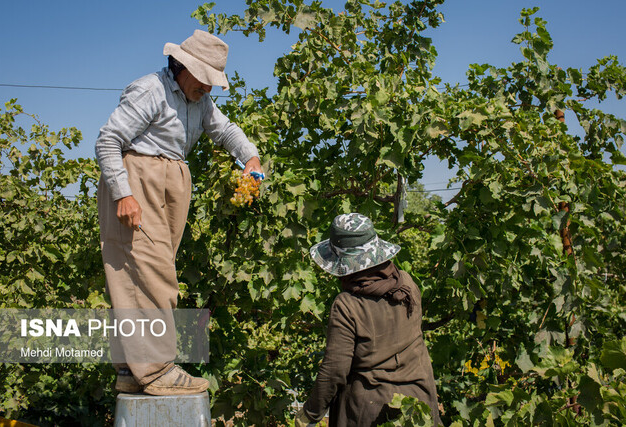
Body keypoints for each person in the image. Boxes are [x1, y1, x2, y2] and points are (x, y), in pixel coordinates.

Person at [95, 30, 263, 395]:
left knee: (147, 273)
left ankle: (128, 368)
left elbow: (225, 130)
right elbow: (108, 139)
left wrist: (250, 157)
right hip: (138, 179)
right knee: (153, 277)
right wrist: (123, 193)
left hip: (171, 184)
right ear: (182, 66)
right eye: (204, 79)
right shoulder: (150, 90)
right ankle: (156, 370)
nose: (208, 88)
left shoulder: (198, 101)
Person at [295, 213, 442, 426]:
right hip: (418, 407)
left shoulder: (347, 305)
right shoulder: (407, 284)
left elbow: (335, 369)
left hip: (370, 411)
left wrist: (310, 413)